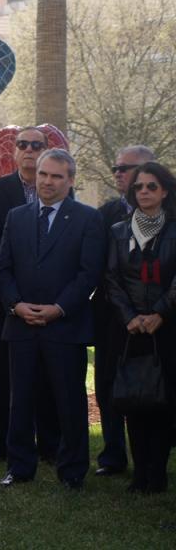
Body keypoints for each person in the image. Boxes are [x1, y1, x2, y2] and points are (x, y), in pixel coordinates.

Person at [0, 149, 105, 490]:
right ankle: (20, 467)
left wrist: (59, 308)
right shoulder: (16, 216)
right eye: (43, 174)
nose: (47, 181)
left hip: (65, 326)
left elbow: (89, 274)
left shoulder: (88, 219)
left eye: (57, 176)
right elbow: (2, 270)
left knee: (69, 400)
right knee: (21, 400)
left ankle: (72, 470)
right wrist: (16, 305)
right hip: (22, 324)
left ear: (70, 181)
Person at [0, 126, 60, 464]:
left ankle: (49, 445)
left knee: (45, 375)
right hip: (5, 299)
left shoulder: (58, 188)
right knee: (2, 376)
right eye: (22, 144)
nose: (28, 149)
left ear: (45, 150)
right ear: (13, 151)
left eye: (36, 145)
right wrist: (13, 297)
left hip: (47, 303)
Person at [105, 161, 176, 493]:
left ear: (164, 190)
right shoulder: (119, 231)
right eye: (138, 187)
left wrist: (160, 313)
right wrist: (129, 316)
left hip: (167, 327)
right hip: (130, 329)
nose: (144, 192)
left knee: (162, 400)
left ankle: (157, 473)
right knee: (135, 398)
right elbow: (111, 279)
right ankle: (139, 472)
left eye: (151, 186)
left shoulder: (175, 229)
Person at [92, 145, 156, 477]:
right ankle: (113, 455)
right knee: (106, 385)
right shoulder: (103, 214)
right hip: (110, 316)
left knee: (149, 385)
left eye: (126, 168)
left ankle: (150, 457)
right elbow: (98, 268)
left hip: (154, 320)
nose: (118, 173)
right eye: (116, 168)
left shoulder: (167, 214)